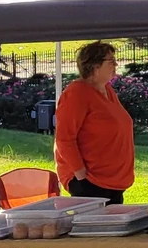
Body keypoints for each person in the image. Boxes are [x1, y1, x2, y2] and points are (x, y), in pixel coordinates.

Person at [55, 41, 135, 203]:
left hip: (113, 181)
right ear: (95, 66)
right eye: (111, 61)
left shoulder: (107, 90)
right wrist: (80, 174)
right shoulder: (77, 92)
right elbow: (64, 138)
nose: (116, 64)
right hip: (91, 182)